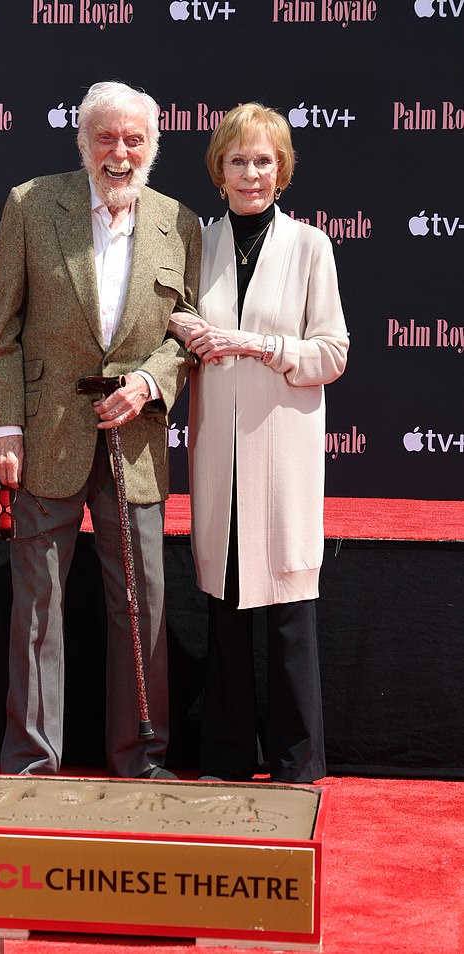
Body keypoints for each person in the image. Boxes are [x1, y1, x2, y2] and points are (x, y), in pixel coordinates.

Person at [0, 80, 201, 780]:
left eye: (134, 138)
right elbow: (3, 331)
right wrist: (4, 427)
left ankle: (142, 758)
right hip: (45, 436)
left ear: (152, 146)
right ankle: (31, 765)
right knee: (38, 606)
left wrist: (148, 382)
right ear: (83, 141)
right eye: (106, 137)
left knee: (142, 605)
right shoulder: (31, 204)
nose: (119, 151)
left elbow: (186, 337)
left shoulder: (180, 223)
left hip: (132, 442)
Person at [170, 102, 349, 784]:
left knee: (288, 615)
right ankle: (223, 757)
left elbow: (332, 352)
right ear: (219, 170)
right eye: (238, 160)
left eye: (264, 160)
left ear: (283, 171)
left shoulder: (311, 247)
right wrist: (191, 330)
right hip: (220, 453)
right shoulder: (198, 242)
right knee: (225, 610)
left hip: (283, 454)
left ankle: (297, 763)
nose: (251, 173)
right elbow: (174, 315)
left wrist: (259, 344)